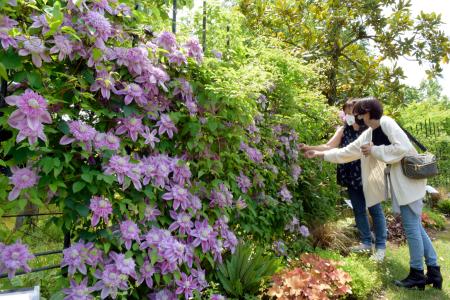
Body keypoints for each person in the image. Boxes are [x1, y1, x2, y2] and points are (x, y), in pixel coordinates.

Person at [304, 97, 443, 290]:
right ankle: (434, 272)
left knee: (412, 229)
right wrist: (319, 154)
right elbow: (348, 151)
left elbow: (401, 148)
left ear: (368, 112)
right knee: (416, 228)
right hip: (404, 184)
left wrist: (375, 150)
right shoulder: (370, 132)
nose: (356, 117)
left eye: (359, 113)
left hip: (409, 183)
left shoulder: (386, 122)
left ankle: (417, 273)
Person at [300, 100, 387, 261]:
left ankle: (381, 247)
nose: (351, 115)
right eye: (347, 112)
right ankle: (366, 243)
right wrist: (309, 147)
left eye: (353, 112)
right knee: (358, 209)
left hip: (368, 174)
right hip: (350, 175)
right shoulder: (343, 129)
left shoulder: (369, 129)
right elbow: (329, 146)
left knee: (375, 210)